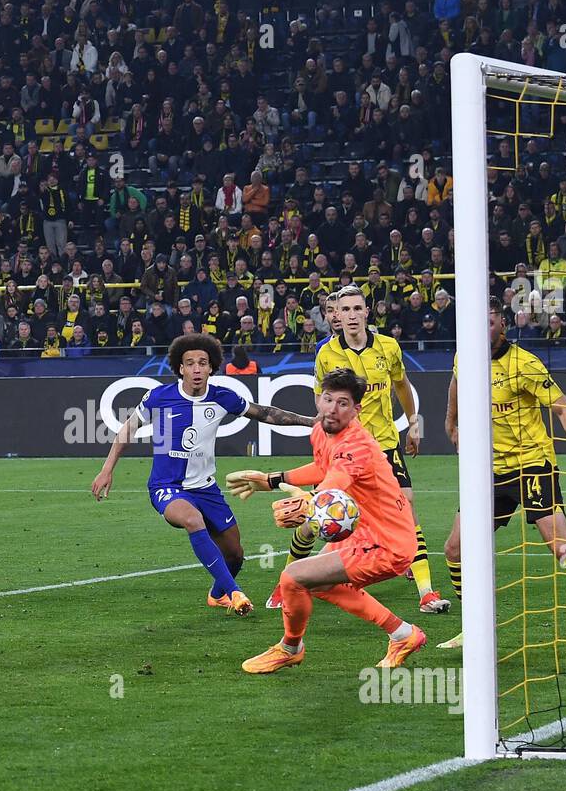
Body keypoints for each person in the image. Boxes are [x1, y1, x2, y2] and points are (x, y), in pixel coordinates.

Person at [438, 306, 566, 658]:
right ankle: (474, 629)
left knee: (561, 549)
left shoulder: (525, 364)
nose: (481, 328)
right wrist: (451, 423)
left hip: (532, 465)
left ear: (502, 323)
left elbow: (562, 407)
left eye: (488, 321)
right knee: (455, 549)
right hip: (489, 469)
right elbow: (456, 383)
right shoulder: (464, 357)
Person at [90, 333, 315, 616]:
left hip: (206, 489)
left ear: (212, 367)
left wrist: (311, 422)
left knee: (235, 554)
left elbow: (267, 413)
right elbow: (128, 429)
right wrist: (107, 469)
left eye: (203, 363)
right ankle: (235, 593)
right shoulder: (160, 397)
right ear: (180, 368)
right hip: (167, 487)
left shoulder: (222, 397)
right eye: (190, 363)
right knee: (193, 520)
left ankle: (218, 594)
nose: (196, 369)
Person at [226, 368, 429, 673]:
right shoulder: (321, 430)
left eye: (343, 403)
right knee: (317, 583)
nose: (332, 408)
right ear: (318, 400)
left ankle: (290, 648)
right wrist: (270, 480)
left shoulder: (357, 445)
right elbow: (323, 467)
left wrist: (312, 501)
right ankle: (402, 634)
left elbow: (337, 478)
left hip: (387, 543)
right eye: (328, 399)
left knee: (293, 577)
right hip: (366, 532)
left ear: (356, 410)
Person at [271, 286, 448, 614]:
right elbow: (320, 399)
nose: (351, 315)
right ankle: (285, 581)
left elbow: (401, 386)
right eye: (344, 310)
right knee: (316, 520)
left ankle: (426, 592)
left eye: (357, 308)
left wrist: (415, 423)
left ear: (367, 312)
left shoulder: (388, 347)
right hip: (344, 450)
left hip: (383, 443)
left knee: (406, 507)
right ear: (335, 316)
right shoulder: (326, 353)